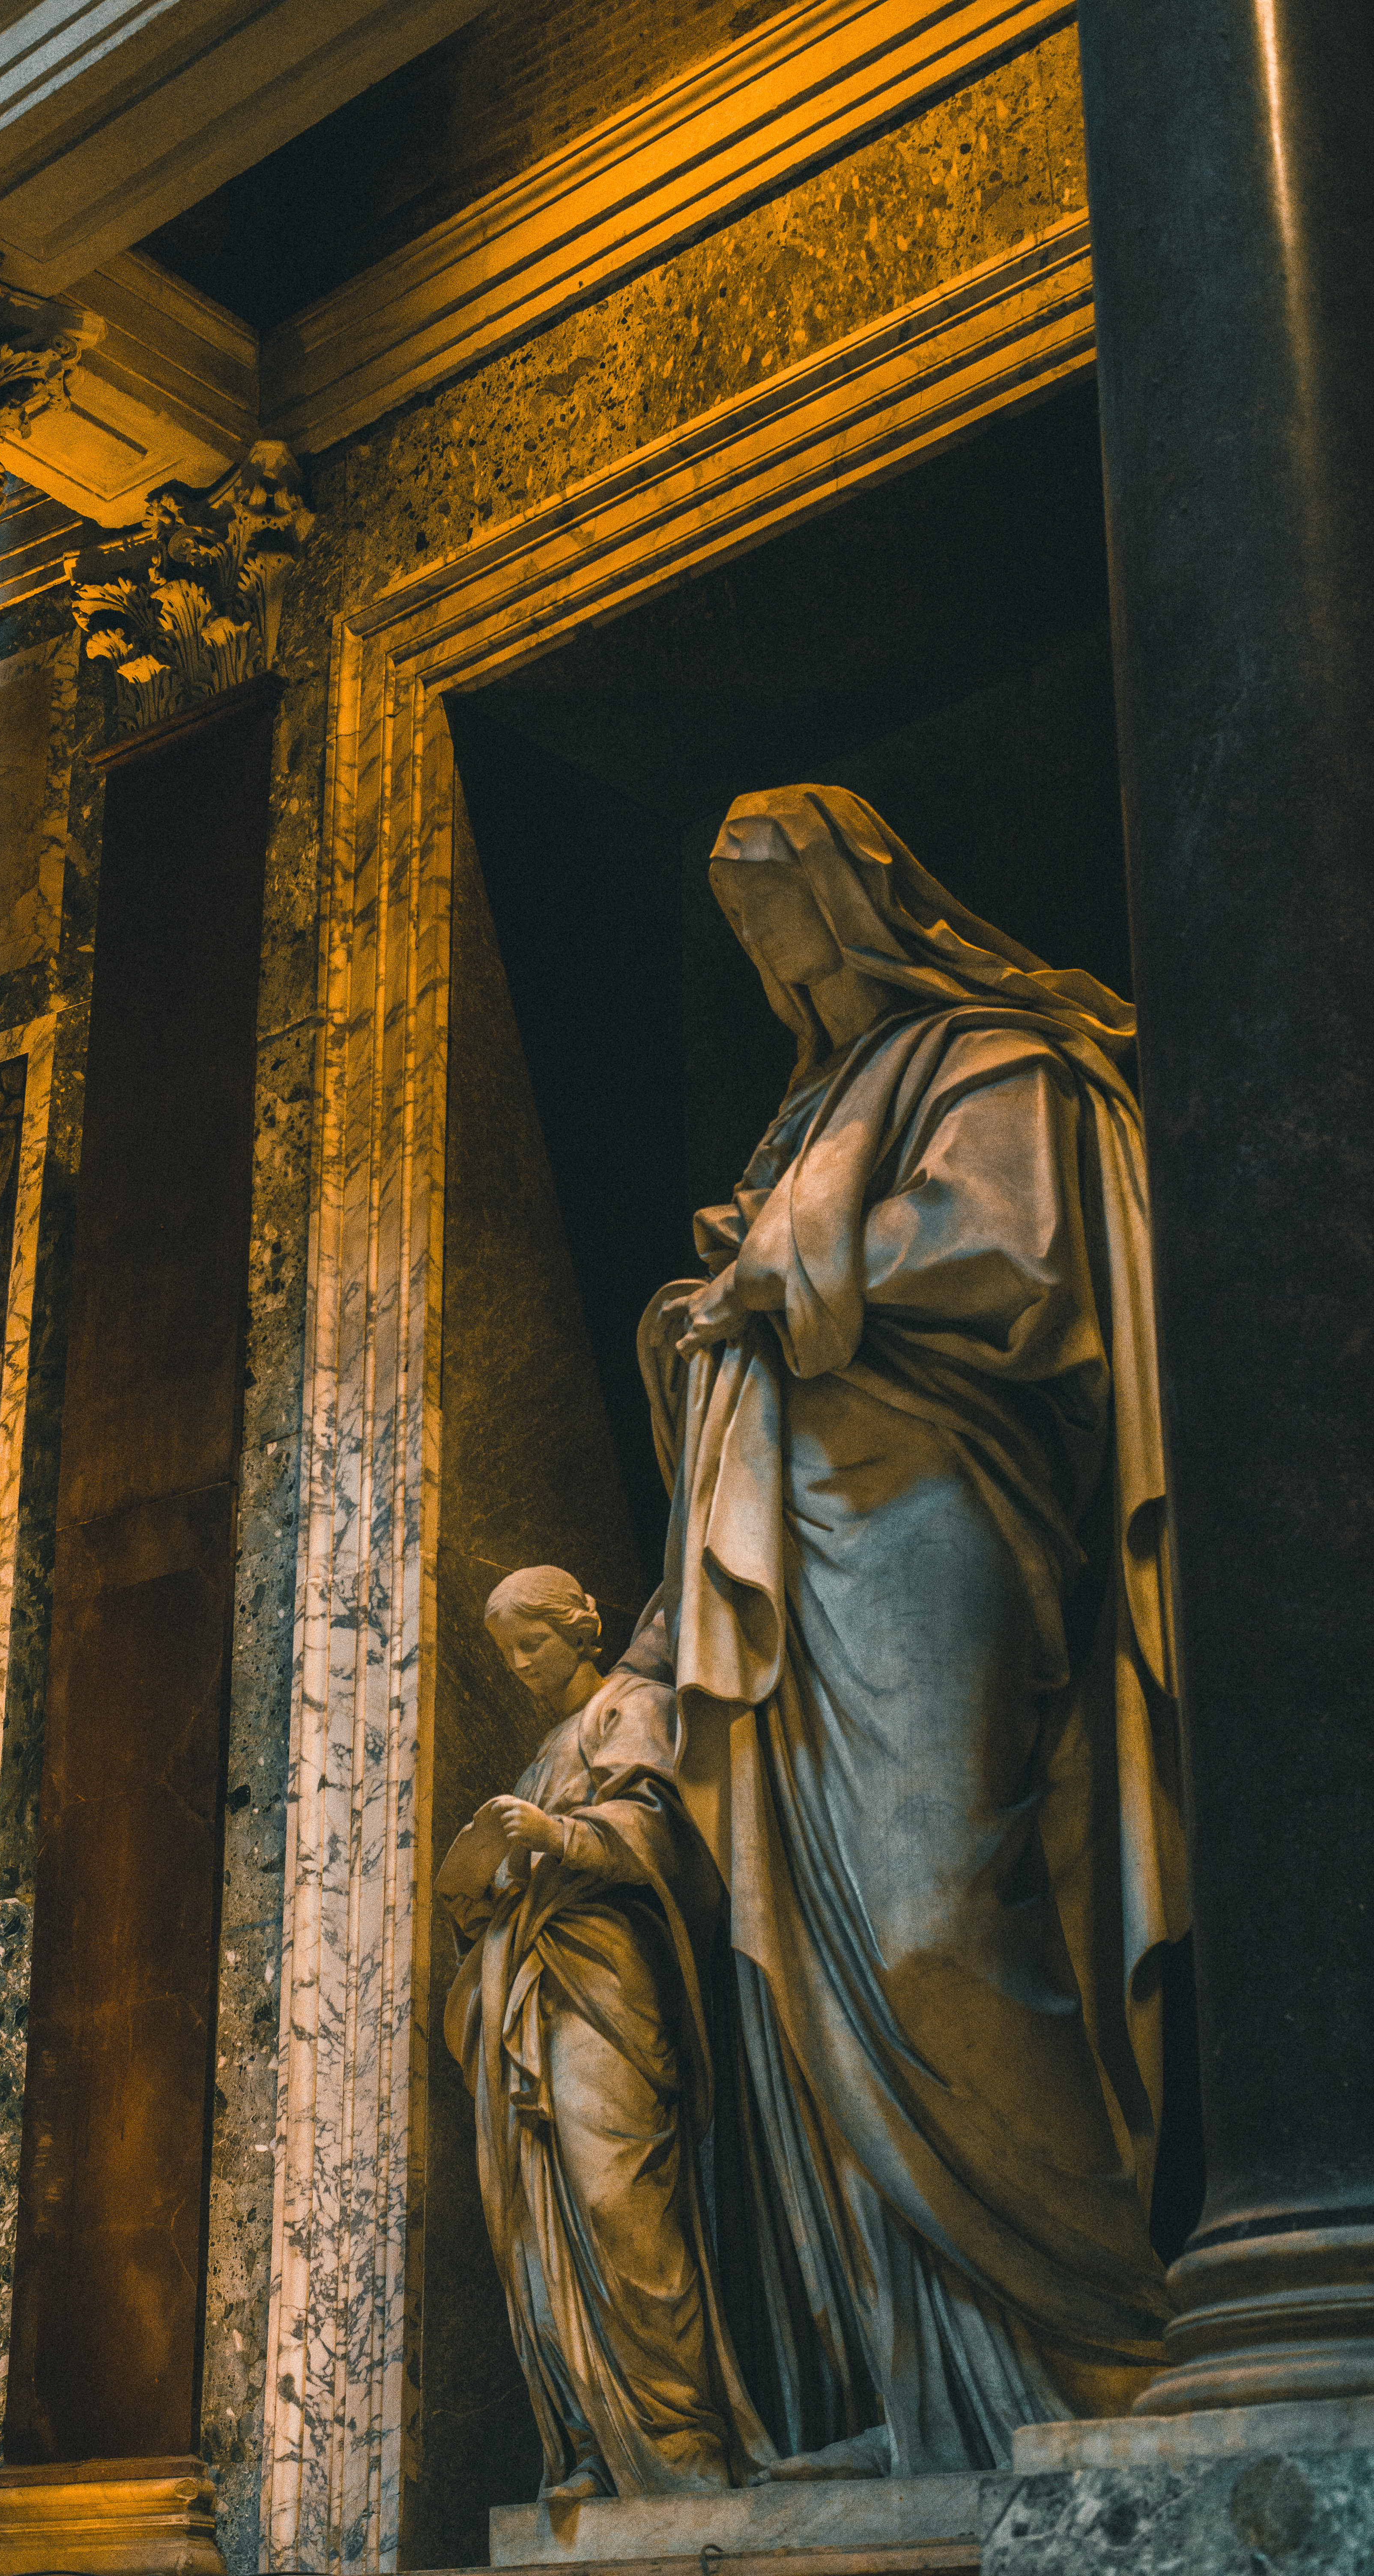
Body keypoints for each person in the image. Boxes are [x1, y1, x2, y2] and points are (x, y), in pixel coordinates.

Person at [639, 784, 1188, 2476]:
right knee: (804, 1954)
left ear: (851, 900)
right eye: (739, 939)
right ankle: (932, 2392)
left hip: (945, 1516)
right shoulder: (811, 1103)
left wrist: (789, 1283)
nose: (765, 964)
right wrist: (722, 1306)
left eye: (777, 920)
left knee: (932, 1918)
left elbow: (1017, 1255)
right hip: (814, 1544)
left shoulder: (988, 1057)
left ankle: (1102, 2330)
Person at [439, 1565, 774, 2499]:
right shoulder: (542, 1747)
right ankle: (589, 2441)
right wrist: (481, 1887)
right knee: (536, 2226)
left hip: (607, 1991)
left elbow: (670, 1828)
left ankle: (679, 2438)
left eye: (530, 1640)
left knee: (617, 2202)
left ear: (583, 1625)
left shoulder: (635, 1707)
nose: (516, 1663)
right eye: (504, 1650)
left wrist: (555, 1831)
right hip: (530, 1993)